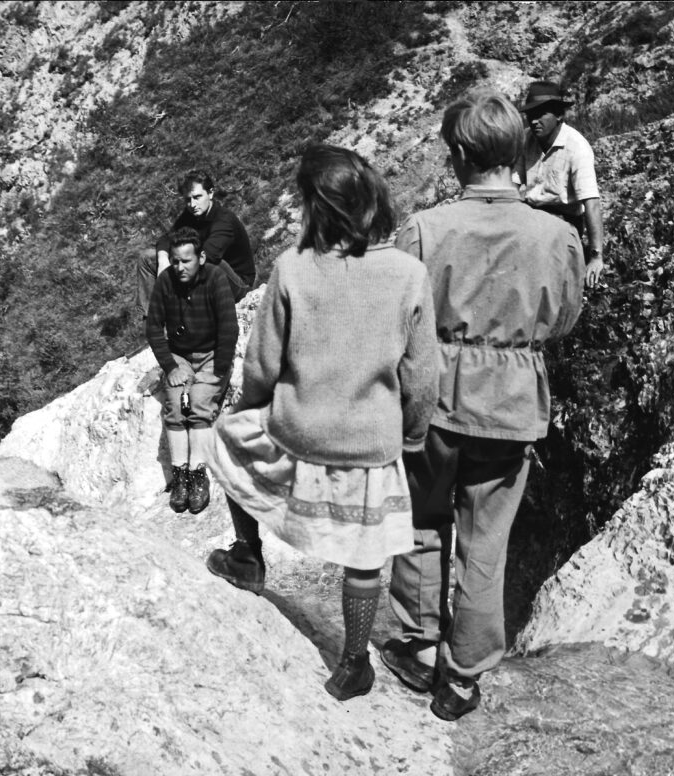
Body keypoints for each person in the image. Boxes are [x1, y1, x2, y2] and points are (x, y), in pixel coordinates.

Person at [204, 144, 439, 702]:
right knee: (364, 555)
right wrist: (410, 435)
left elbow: (262, 364)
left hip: (299, 431)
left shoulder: (292, 267)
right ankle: (354, 662)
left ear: (316, 207)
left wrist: (251, 408)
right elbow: (422, 375)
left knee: (225, 440)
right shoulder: (408, 274)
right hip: (370, 443)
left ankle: (248, 555)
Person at [385, 88, 585, 722]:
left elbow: (397, 321)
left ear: (461, 155)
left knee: (421, 519)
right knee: (486, 540)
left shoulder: (425, 229)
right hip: (513, 401)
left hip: (435, 397)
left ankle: (418, 645)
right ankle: (463, 674)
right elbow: (563, 320)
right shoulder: (558, 236)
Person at [145, 227, 239, 515]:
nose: (179, 267)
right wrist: (170, 366)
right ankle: (180, 475)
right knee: (175, 406)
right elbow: (153, 327)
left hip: (212, 355)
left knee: (198, 404)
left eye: (186, 261)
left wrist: (218, 370)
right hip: (180, 356)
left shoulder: (216, 278)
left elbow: (229, 328)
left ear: (201, 257)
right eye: (175, 261)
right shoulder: (166, 281)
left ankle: (198, 473)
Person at [514, 80, 605, 287]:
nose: (534, 121)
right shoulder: (526, 139)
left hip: (564, 220)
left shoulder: (576, 147)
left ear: (559, 115)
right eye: (530, 115)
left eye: (541, 114)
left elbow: (591, 203)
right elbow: (512, 185)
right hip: (531, 214)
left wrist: (596, 256)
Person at [136, 170, 255, 316]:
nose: (192, 204)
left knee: (207, 262)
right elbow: (167, 238)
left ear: (210, 193)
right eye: (188, 199)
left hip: (238, 284)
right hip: (203, 271)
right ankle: (150, 319)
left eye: (197, 197)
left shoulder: (224, 220)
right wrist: (162, 261)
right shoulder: (191, 215)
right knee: (147, 258)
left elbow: (209, 256)